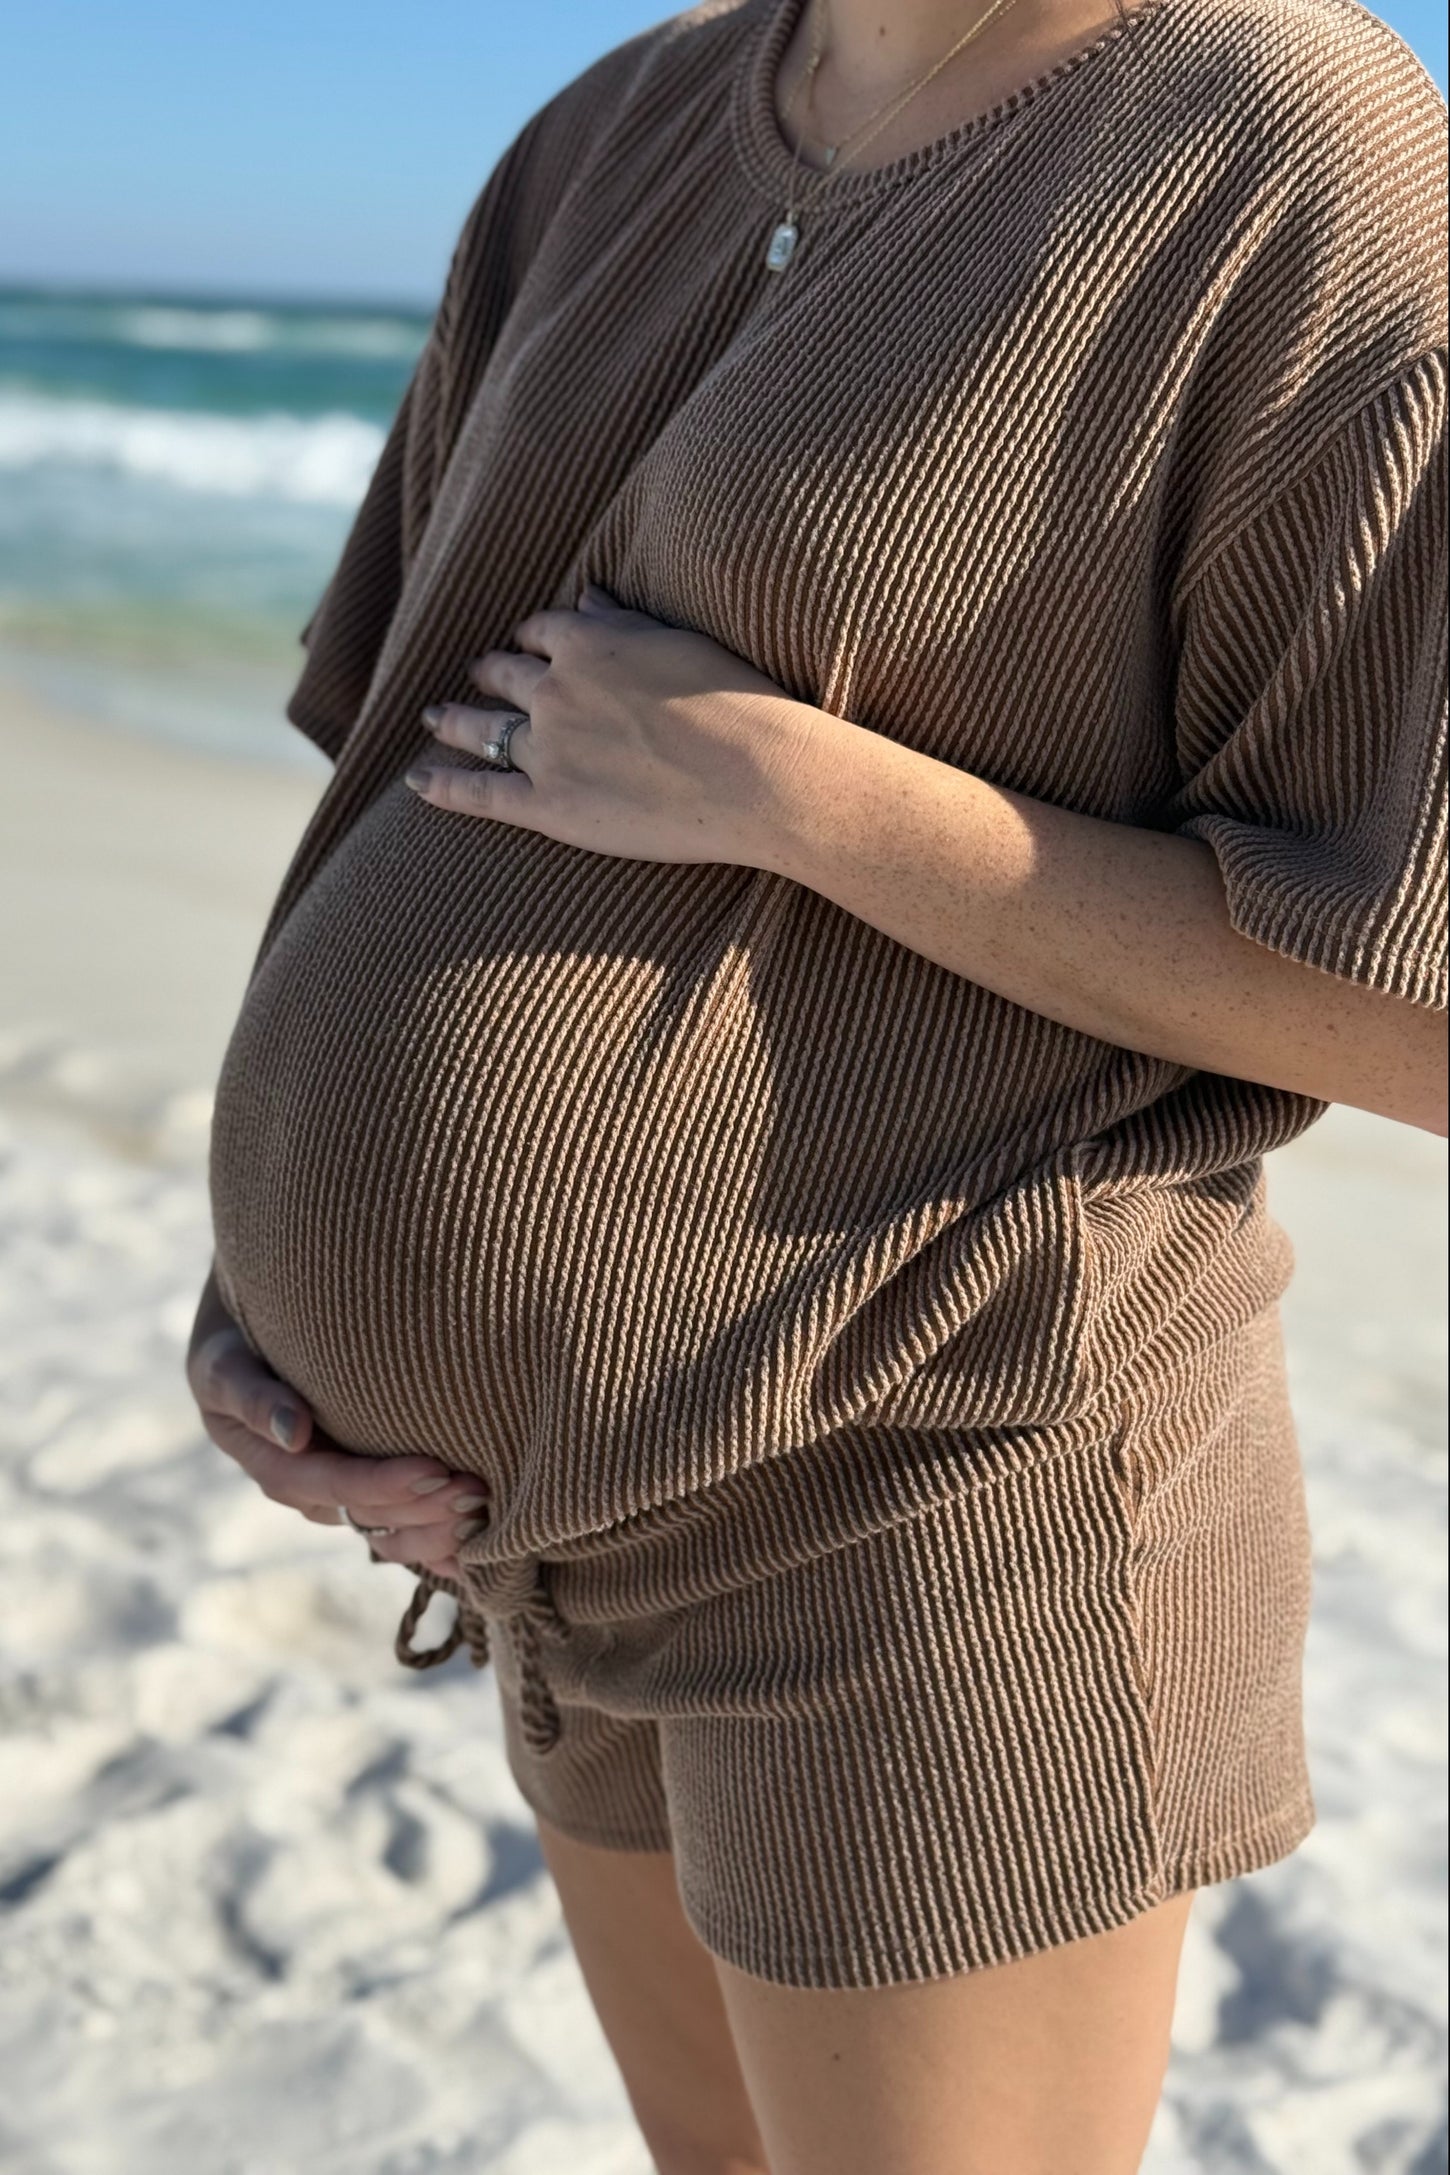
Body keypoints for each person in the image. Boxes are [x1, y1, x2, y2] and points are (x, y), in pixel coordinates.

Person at [184, 0, 1448, 2166]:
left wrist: (797, 794)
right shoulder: (615, 128)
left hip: (933, 1484)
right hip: (543, 1533)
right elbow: (413, 757)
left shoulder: (1288, 152)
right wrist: (276, 1299)